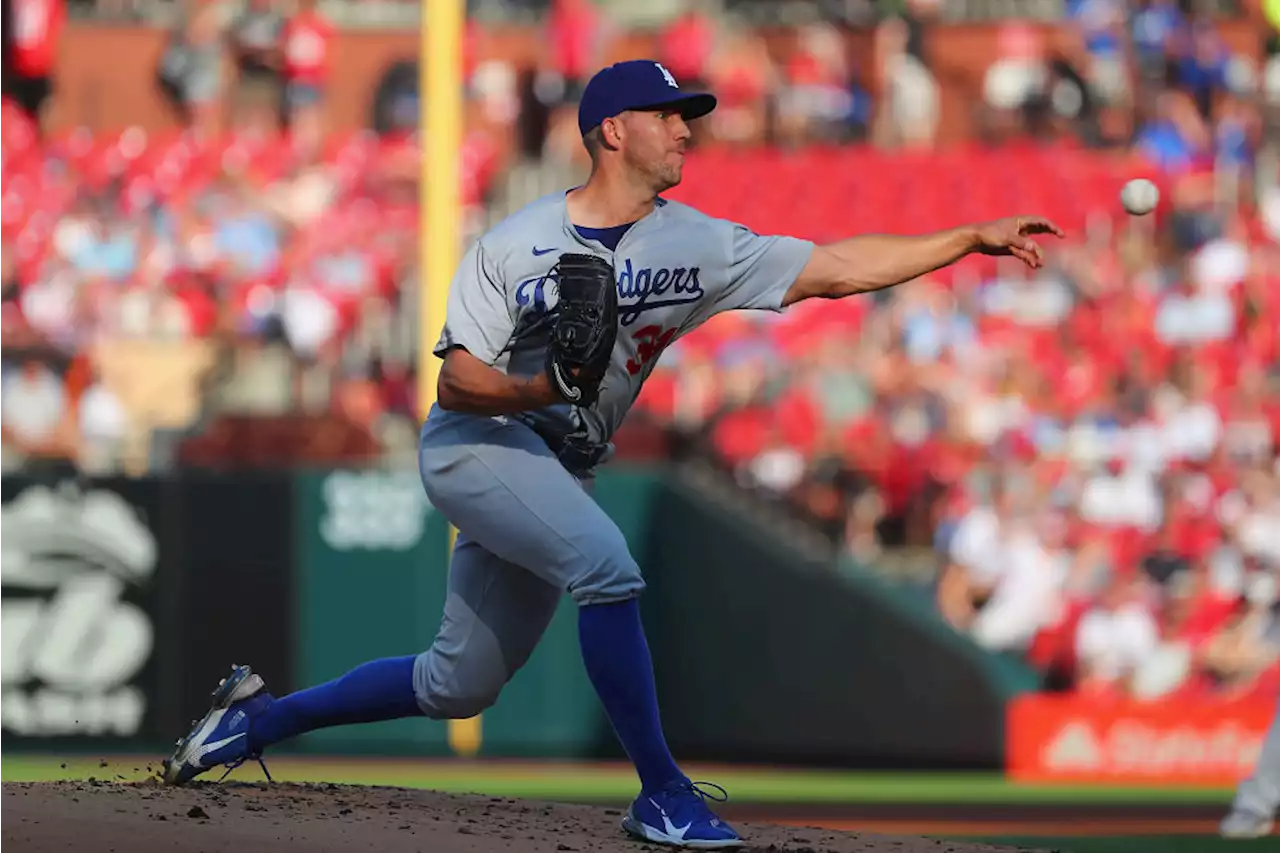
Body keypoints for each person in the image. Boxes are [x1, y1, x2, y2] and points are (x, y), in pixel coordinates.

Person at [160, 59, 1063, 848]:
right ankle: (663, 793)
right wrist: (543, 387)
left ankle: (255, 720)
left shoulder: (696, 241)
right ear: (612, 131)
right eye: (671, 117)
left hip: (556, 465)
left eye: (689, 118)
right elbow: (458, 383)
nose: (686, 132)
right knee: (607, 565)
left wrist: (965, 239)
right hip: (478, 443)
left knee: (456, 683)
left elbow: (834, 266)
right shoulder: (514, 246)